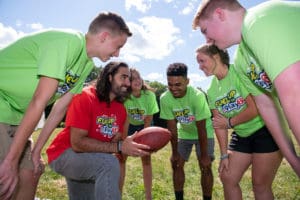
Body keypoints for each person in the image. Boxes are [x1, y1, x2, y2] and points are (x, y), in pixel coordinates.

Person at [0, 12, 132, 200]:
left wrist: (36, 151)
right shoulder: (67, 42)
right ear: (104, 36)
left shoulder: (85, 64)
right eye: (118, 46)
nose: (117, 53)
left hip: (17, 115)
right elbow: (40, 100)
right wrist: (11, 161)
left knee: (30, 174)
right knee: (7, 179)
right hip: (2, 103)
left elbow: (58, 110)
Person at [192, 0, 300, 177]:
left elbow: (295, 94)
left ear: (220, 14)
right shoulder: (242, 61)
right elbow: (266, 105)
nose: (207, 40)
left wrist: (229, 123)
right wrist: (293, 158)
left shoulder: (258, 21)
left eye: (205, 31)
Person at [46, 61, 151, 200]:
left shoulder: (120, 109)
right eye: (123, 77)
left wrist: (135, 146)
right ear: (110, 77)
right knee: (108, 164)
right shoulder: (85, 97)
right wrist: (119, 147)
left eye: (129, 78)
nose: (128, 82)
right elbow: (77, 143)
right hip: (64, 153)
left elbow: (117, 143)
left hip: (90, 157)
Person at [196, 44, 282, 200]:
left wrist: (229, 122)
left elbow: (255, 107)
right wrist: (223, 155)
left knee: (260, 184)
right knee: (227, 177)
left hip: (265, 130)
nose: (199, 66)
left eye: (202, 61)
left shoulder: (239, 72)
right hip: (242, 134)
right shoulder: (211, 90)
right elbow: (219, 124)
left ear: (216, 57)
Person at [160, 63, 214, 200]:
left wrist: (205, 155)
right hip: (184, 133)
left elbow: (201, 127)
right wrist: (174, 153)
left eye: (178, 84)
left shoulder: (197, 96)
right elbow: (171, 127)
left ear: (187, 81)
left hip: (203, 133)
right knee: (177, 164)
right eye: (170, 84)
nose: (173, 89)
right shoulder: (165, 98)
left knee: (205, 166)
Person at [120, 68, 159, 200]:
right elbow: (125, 122)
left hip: (145, 126)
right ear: (127, 83)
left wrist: (144, 141)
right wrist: (125, 143)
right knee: (121, 158)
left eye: (138, 77)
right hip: (129, 125)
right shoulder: (124, 97)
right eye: (132, 79)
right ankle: (118, 193)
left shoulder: (149, 96)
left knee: (146, 159)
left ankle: (149, 196)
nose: (137, 81)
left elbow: (148, 120)